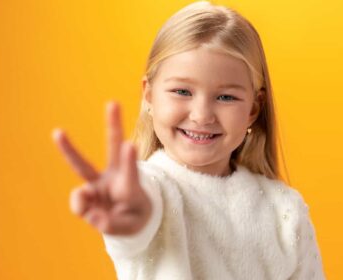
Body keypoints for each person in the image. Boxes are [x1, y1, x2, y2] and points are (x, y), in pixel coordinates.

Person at [51, 1, 326, 279]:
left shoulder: (285, 210)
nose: (202, 115)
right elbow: (141, 217)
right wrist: (129, 216)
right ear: (149, 96)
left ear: (253, 109)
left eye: (226, 97)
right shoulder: (150, 188)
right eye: (182, 91)